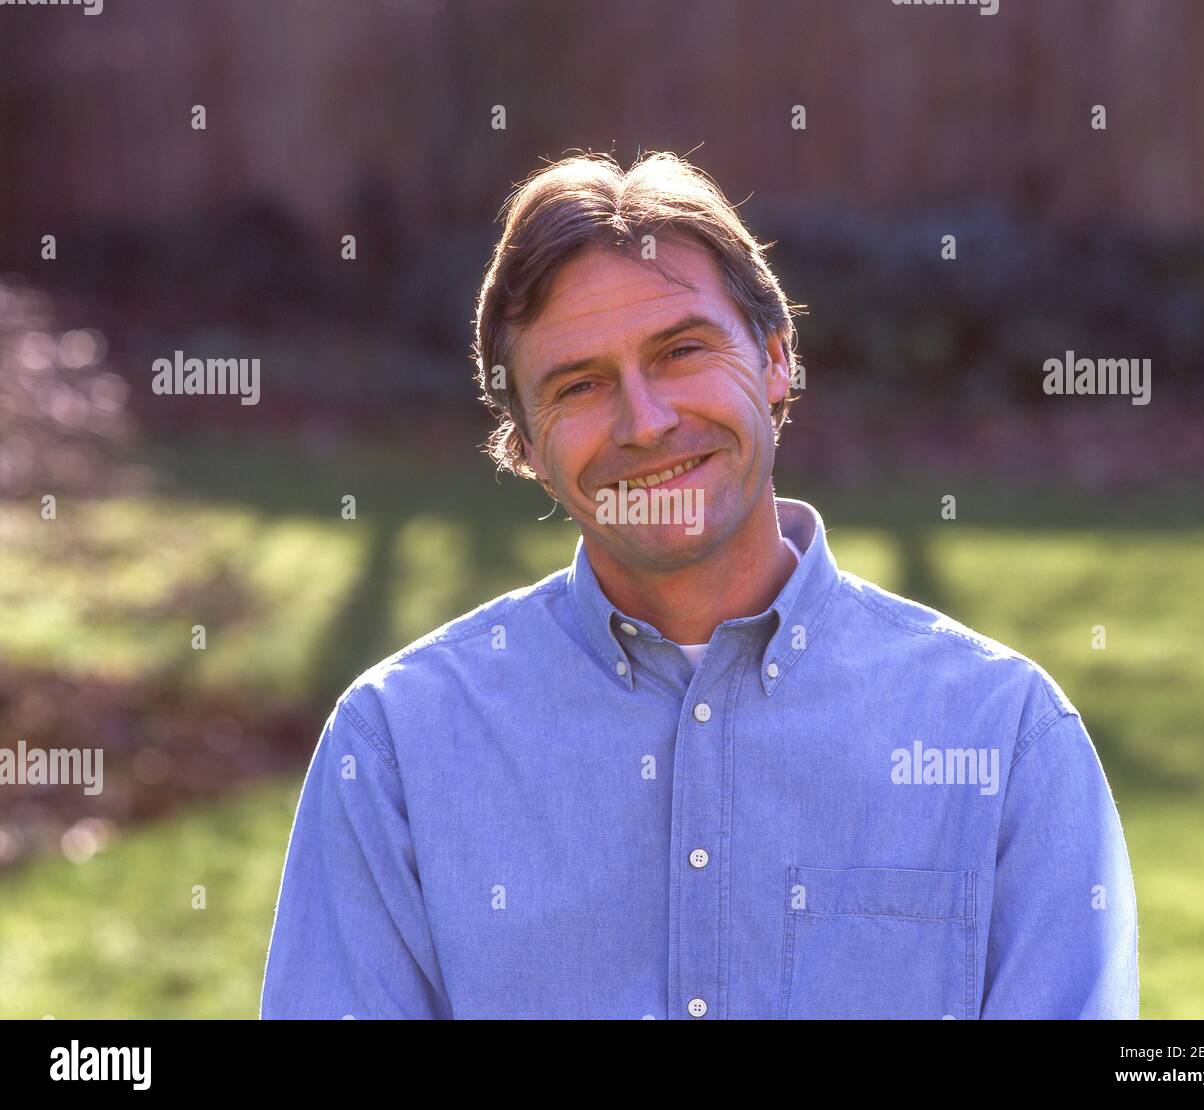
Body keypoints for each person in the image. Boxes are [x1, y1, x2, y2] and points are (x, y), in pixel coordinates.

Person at [260, 151, 1138, 1019]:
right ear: (524, 446)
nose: (646, 423)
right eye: (580, 385)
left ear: (776, 360)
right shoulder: (396, 748)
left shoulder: (1005, 735)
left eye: (681, 350)